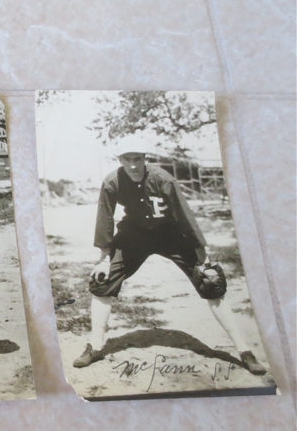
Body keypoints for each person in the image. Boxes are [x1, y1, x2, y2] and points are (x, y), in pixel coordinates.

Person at [74, 134, 266, 375]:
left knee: (211, 282)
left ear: (145, 158)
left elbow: (185, 218)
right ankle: (95, 345)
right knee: (101, 281)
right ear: (119, 159)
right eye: (126, 159)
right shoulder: (112, 181)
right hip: (134, 234)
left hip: (171, 234)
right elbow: (105, 218)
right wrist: (103, 259)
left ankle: (244, 350)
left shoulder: (163, 179)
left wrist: (202, 256)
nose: (132, 165)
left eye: (137, 158)